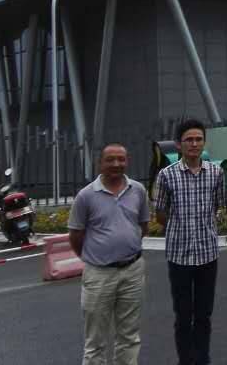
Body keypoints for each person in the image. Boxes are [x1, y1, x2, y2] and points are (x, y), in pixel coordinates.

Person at [69, 143, 151, 365]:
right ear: (100, 163)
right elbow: (76, 236)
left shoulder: (138, 190)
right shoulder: (86, 196)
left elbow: (143, 226)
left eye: (121, 159)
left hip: (133, 271)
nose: (116, 164)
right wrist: (96, 257)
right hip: (99, 275)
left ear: (127, 161)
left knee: (129, 336)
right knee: (95, 341)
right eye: (110, 159)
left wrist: (125, 246)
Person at [155, 119, 227, 365]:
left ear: (204, 142)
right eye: (189, 140)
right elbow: (161, 213)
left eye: (198, 139)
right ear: (178, 144)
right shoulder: (166, 175)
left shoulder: (216, 173)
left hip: (208, 254)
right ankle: (186, 360)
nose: (194, 144)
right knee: (183, 316)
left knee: (204, 315)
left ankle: (203, 359)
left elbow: (217, 206)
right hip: (179, 256)